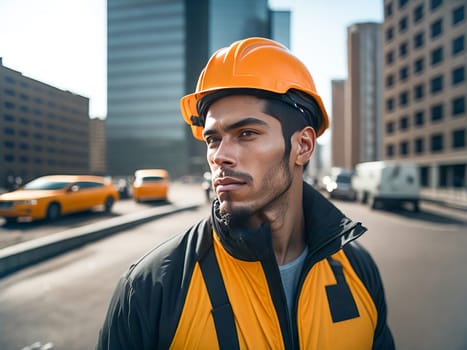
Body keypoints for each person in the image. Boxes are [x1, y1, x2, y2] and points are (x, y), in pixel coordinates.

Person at [96, 37, 395, 349]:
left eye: (246, 134)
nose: (219, 155)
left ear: (303, 146)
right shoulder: (151, 289)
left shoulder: (358, 269)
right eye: (212, 139)